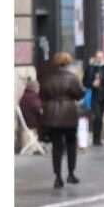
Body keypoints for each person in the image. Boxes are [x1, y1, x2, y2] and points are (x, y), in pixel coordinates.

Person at [37, 49, 84, 189]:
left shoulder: (46, 77)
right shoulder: (72, 77)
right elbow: (79, 94)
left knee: (57, 147)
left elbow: (41, 95)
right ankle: (71, 173)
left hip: (52, 115)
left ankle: (58, 177)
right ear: (67, 62)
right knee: (71, 144)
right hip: (69, 114)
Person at [82, 50, 104, 148]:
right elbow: (85, 81)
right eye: (97, 57)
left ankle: (98, 138)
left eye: (101, 57)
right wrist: (92, 83)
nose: (99, 59)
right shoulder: (90, 68)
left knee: (100, 117)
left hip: (103, 96)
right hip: (94, 96)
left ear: (103, 58)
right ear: (95, 58)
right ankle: (96, 138)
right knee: (98, 116)